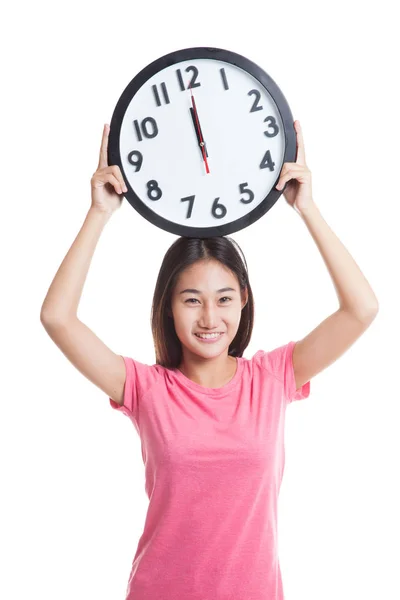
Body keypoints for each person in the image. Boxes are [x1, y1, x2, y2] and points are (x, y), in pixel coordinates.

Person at [40, 121, 379, 600]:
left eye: (223, 299)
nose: (209, 318)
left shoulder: (273, 377)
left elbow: (361, 309)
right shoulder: (145, 388)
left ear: (243, 299)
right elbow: (57, 317)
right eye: (191, 300)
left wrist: (307, 208)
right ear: (168, 305)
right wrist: (99, 213)